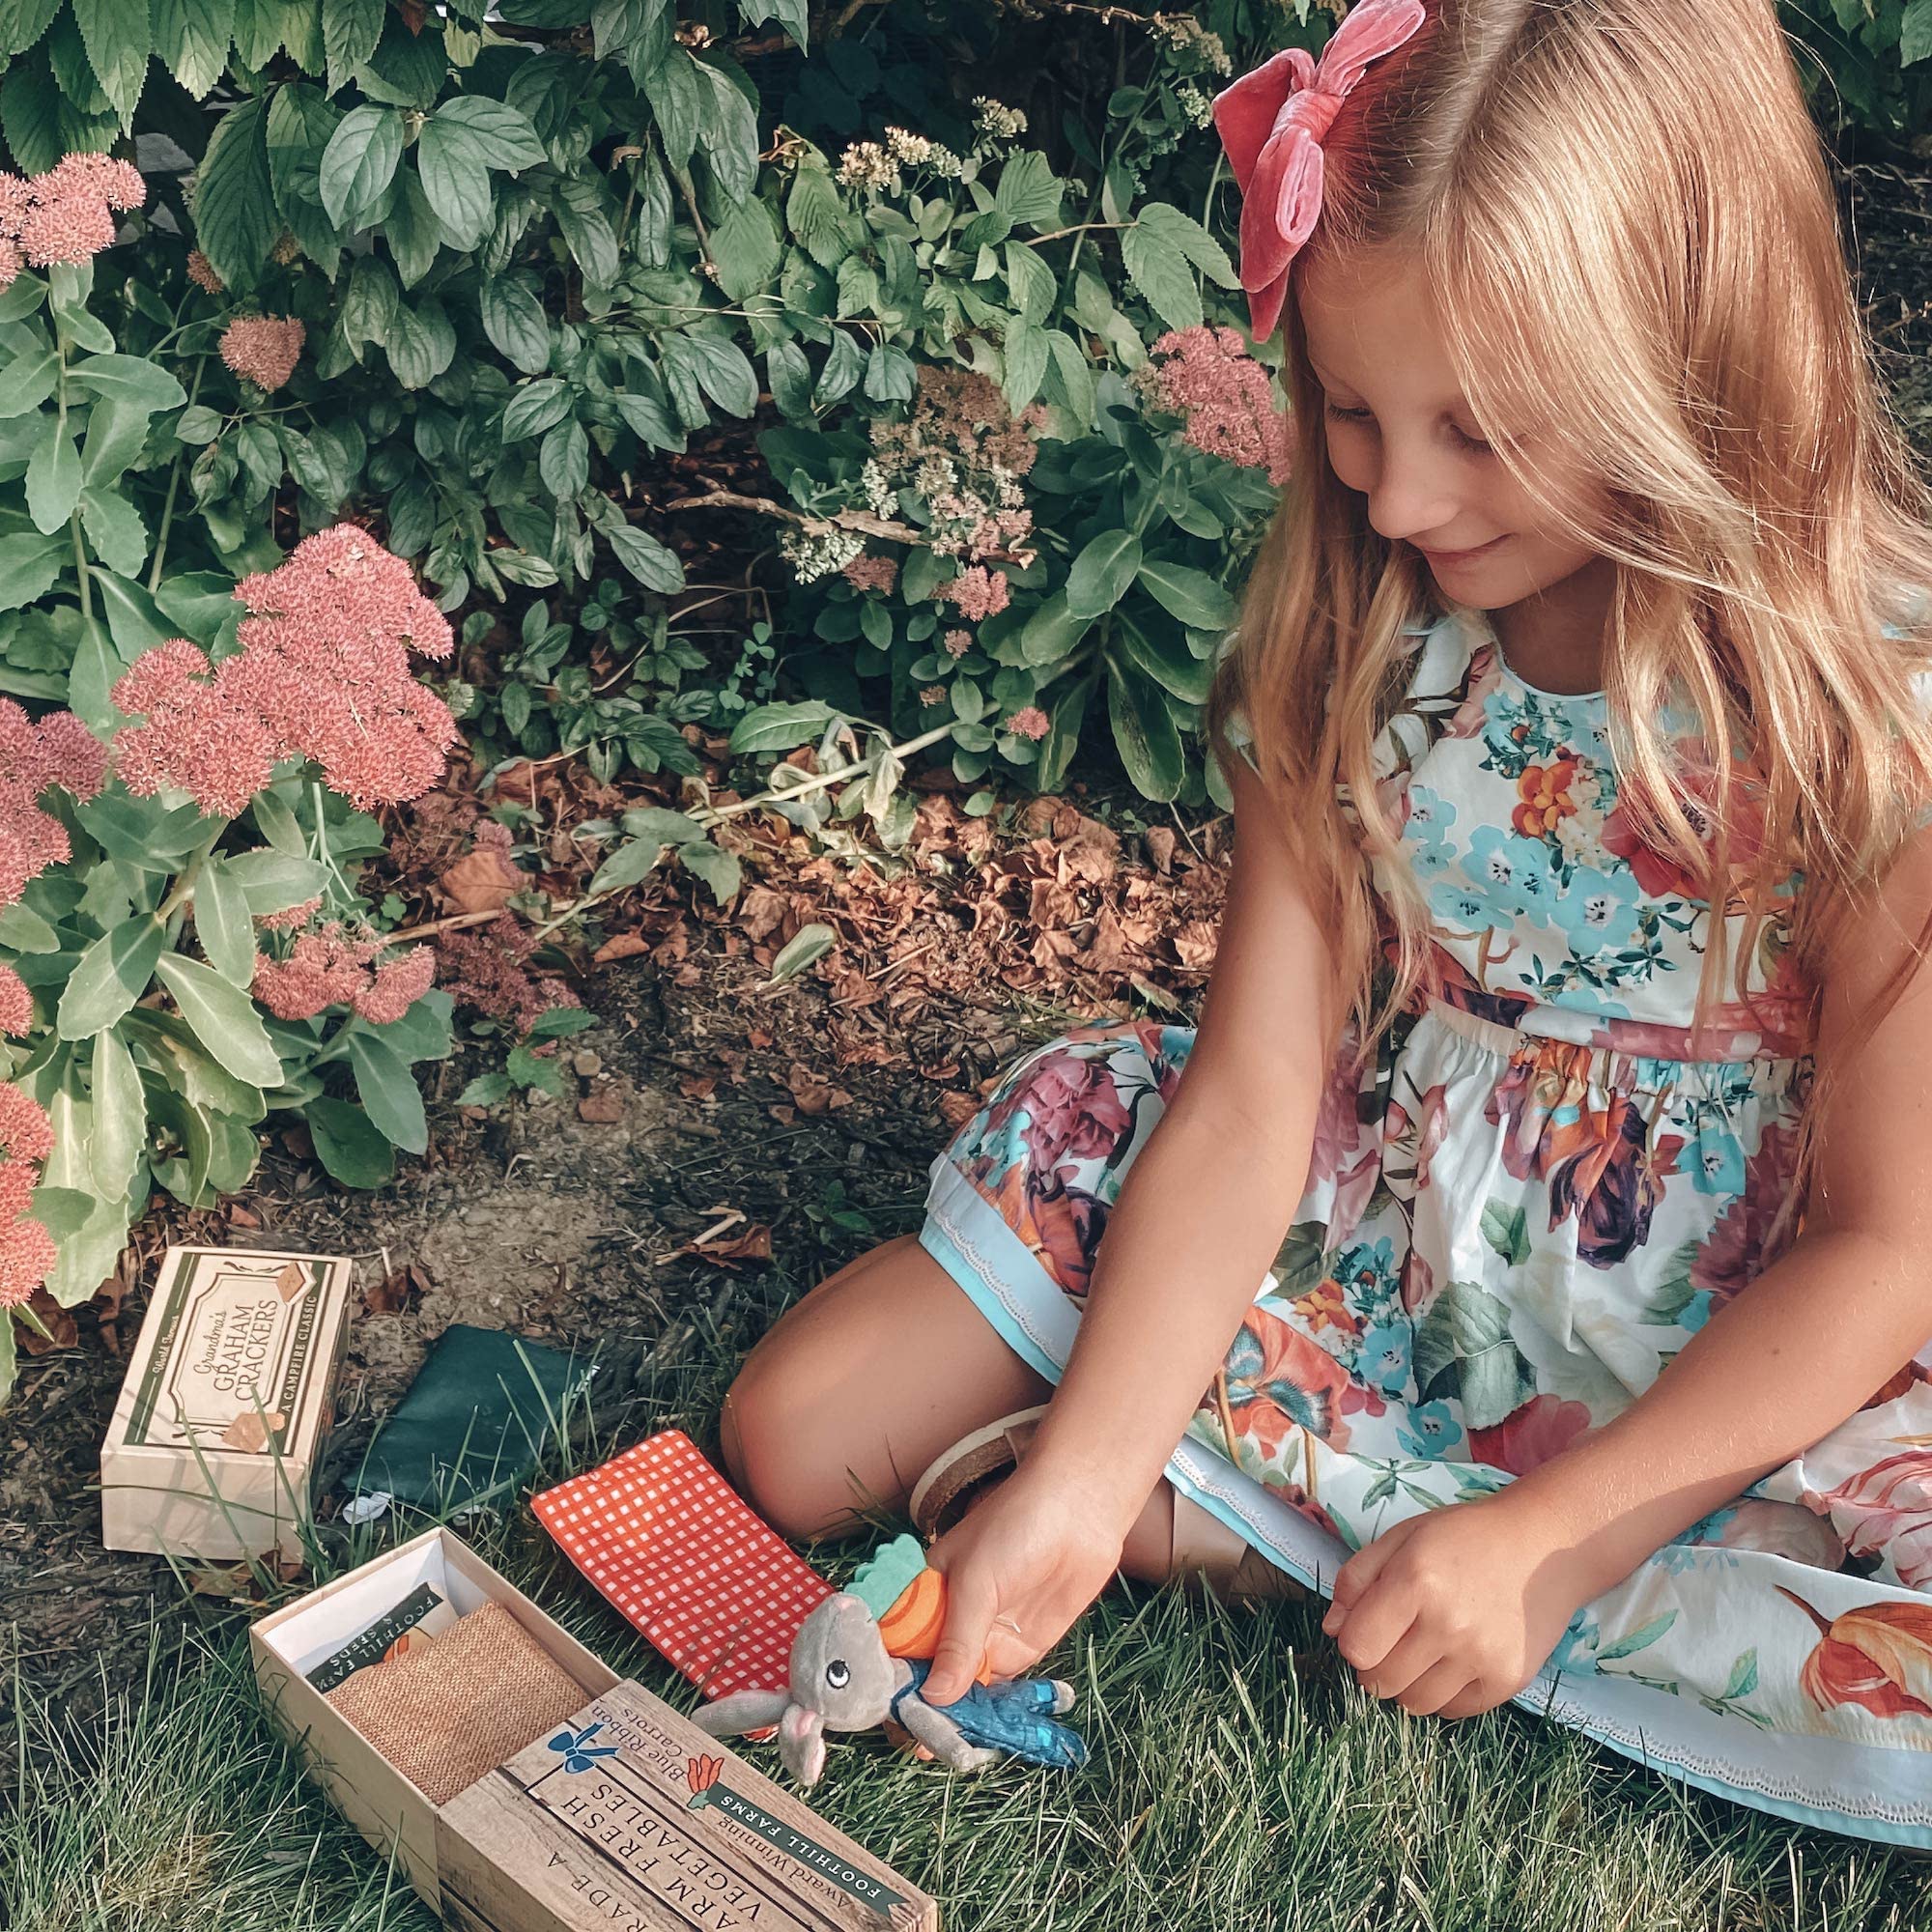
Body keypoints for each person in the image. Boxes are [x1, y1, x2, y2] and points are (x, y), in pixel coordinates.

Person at [720, 0, 1932, 1842]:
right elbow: (1253, 1088)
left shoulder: (1870, 723)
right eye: (1350, 412)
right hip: (1368, 1229)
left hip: (1728, 1342)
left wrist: (1545, 1541)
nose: (1396, 492)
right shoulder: (1360, 632)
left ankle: (1287, 1533)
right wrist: (1083, 1472)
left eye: (1481, 433)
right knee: (803, 1432)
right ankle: (1188, 1499)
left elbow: (1879, 1254)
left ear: (1687, 368)